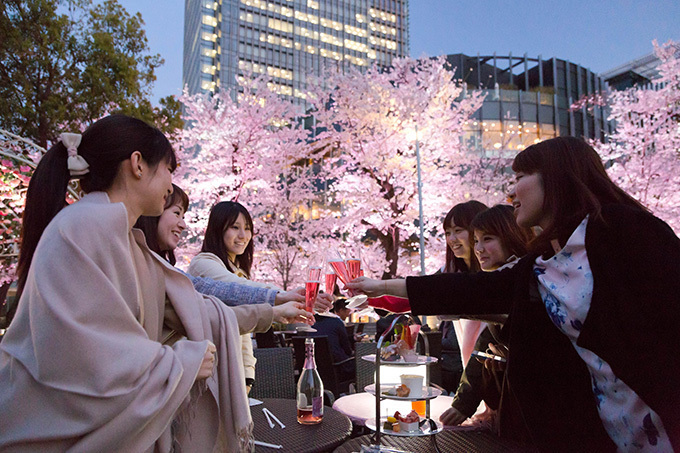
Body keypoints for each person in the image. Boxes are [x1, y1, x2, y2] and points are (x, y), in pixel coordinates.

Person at [347, 136, 680, 452]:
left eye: (520, 176)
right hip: (612, 431)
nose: (510, 192)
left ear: (557, 178)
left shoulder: (627, 230)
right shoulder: (542, 264)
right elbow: (474, 291)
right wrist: (379, 287)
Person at [0, 115, 302, 452]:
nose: (171, 184)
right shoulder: (83, 227)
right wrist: (182, 362)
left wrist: (275, 310)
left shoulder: (124, 240)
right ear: (137, 164)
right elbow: (84, 356)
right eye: (168, 169)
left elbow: (202, 312)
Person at [188, 201, 333, 394]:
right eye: (235, 227)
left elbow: (245, 328)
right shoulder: (203, 264)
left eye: (247, 229)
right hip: (209, 369)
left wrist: (248, 375)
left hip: (232, 373)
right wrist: (283, 296)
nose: (243, 236)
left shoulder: (237, 270)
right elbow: (239, 289)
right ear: (217, 229)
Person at [440, 204, 533, 429]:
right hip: (502, 397)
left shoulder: (520, 280)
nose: (478, 248)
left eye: (459, 230)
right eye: (447, 232)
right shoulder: (465, 276)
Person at [437, 201, 487, 396]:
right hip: (463, 362)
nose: (452, 239)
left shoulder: (496, 273)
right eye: (448, 233)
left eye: (458, 230)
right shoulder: (449, 273)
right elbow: (419, 291)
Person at [310, 298, 355, 383]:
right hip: (338, 368)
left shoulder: (311, 323)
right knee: (361, 366)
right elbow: (347, 349)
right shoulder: (337, 322)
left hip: (314, 368)